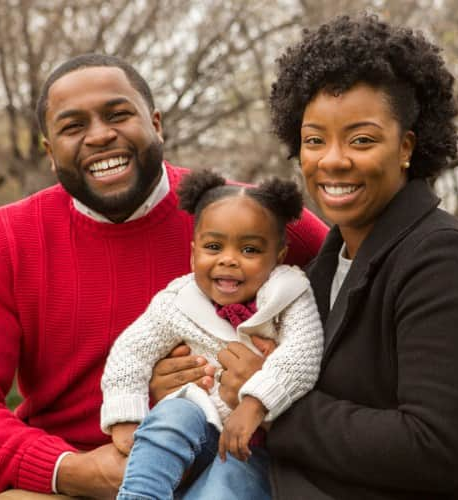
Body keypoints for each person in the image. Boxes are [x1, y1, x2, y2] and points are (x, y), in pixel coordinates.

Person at [0, 51, 458, 499]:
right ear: (48, 148)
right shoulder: (4, 239)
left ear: (156, 122)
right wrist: (69, 468)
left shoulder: (234, 221)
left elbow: (361, 265)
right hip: (61, 456)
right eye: (73, 125)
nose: (98, 135)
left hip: (182, 452)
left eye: (118, 114)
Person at [208, 15, 458, 498]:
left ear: (406, 146)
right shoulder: (331, 258)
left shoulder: (443, 258)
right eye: (314, 140)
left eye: (361, 140)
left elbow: (433, 449)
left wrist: (270, 400)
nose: (332, 160)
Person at [102, 170, 323, 499]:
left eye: (249, 250)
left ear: (278, 256)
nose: (229, 260)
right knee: (172, 416)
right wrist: (125, 417)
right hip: (200, 423)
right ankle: (141, 495)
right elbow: (131, 352)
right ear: (193, 254)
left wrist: (255, 403)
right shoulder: (178, 301)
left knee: (223, 488)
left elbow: (303, 354)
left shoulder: (288, 295)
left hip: (255, 445)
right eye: (214, 246)